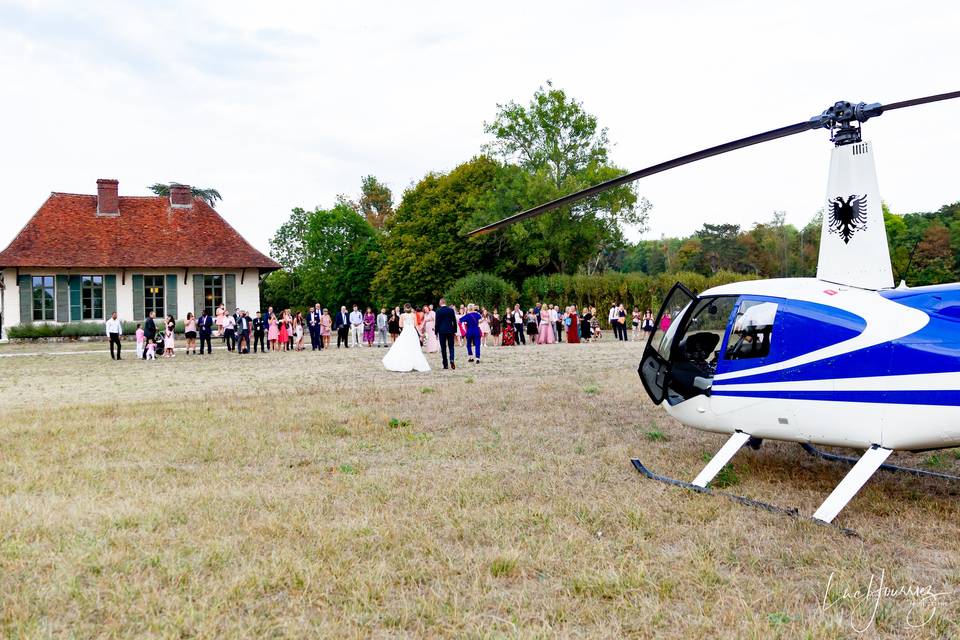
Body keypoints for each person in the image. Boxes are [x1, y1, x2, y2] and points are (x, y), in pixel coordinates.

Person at [382, 303, 431, 372]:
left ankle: (405, 363)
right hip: (413, 332)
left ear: (404, 308)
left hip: (405, 332)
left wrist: (404, 326)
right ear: (410, 308)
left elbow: (400, 325)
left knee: (404, 347)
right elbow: (416, 325)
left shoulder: (402, 315)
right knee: (414, 348)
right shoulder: (414, 315)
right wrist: (420, 334)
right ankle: (414, 364)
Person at [434, 298, 457, 369]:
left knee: (443, 348)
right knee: (451, 347)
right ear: (445, 302)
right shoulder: (451, 310)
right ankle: (452, 359)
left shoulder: (438, 311)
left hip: (442, 331)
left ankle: (445, 364)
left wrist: (436, 332)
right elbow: (454, 321)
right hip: (450, 330)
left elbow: (437, 323)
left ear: (440, 303)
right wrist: (455, 330)